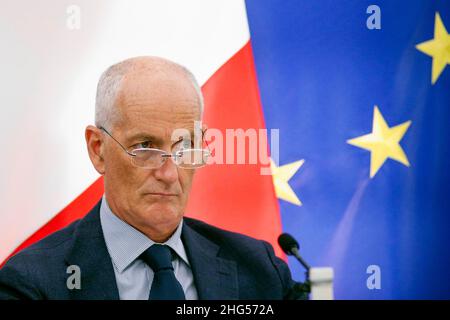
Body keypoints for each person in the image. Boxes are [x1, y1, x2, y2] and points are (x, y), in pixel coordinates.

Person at [0, 57, 299, 300]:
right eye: (144, 147)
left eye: (185, 147)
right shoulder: (31, 283)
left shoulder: (260, 271)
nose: (169, 174)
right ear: (98, 149)